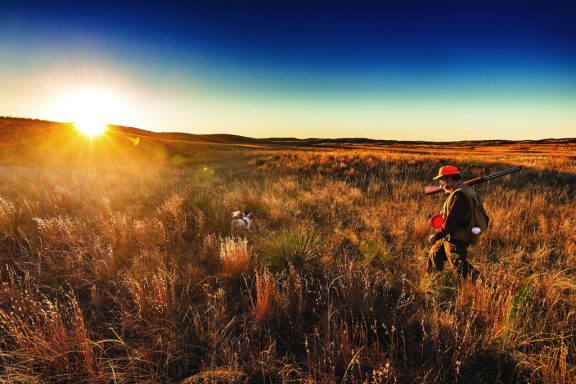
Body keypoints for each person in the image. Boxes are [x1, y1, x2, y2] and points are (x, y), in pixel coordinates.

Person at [427, 165, 481, 281]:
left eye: (442, 180)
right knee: (434, 254)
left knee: (460, 266)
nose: (441, 183)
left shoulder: (460, 196)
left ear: (449, 178)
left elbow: (450, 222)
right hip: (450, 234)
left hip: (457, 237)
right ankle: (434, 281)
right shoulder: (459, 191)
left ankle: (486, 285)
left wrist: (436, 236)